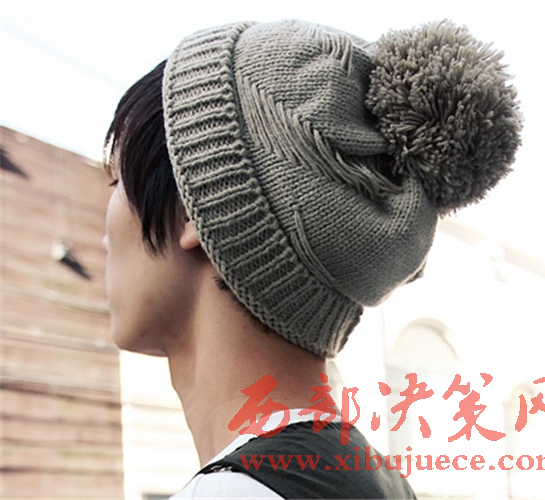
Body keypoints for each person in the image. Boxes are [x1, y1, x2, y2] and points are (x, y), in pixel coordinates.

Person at [103, 19, 521, 499]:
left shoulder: (232, 493)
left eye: (116, 181)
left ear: (192, 210)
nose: (105, 232)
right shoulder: (381, 483)